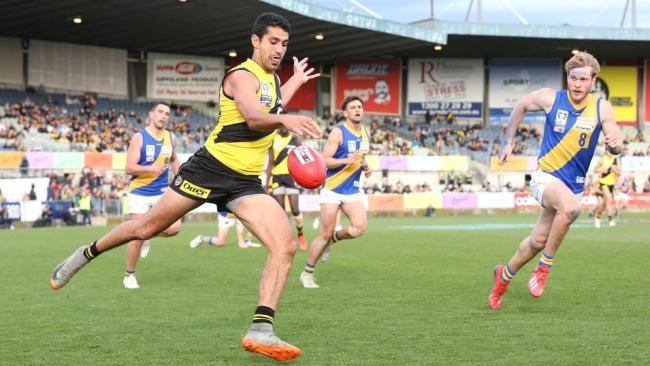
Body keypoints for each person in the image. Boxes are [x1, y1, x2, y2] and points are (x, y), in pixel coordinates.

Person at [50, 12, 320, 362]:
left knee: (284, 245)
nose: (279, 49)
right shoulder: (241, 76)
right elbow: (255, 117)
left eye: (284, 44)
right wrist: (286, 117)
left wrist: (295, 81)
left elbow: (274, 102)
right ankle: (84, 254)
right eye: (273, 42)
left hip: (245, 182)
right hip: (210, 168)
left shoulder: (271, 81)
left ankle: (260, 329)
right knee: (147, 227)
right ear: (255, 41)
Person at [488, 52, 623, 311]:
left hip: (570, 186)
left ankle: (502, 277)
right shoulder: (551, 98)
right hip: (544, 177)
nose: (577, 83)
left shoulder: (601, 108)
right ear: (567, 78)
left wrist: (616, 146)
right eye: (573, 77)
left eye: (583, 79)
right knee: (571, 208)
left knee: (538, 241)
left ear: (593, 80)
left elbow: (615, 144)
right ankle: (543, 269)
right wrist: (509, 142)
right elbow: (520, 106)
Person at [299, 96, 371, 289]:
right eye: (353, 107)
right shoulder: (338, 133)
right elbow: (324, 160)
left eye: (360, 107)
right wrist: (344, 162)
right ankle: (307, 273)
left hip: (352, 190)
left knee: (359, 227)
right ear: (346, 113)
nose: (358, 110)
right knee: (324, 233)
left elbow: (361, 158)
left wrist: (365, 167)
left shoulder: (365, 133)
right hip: (332, 189)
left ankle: (333, 240)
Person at [123, 102, 182, 289]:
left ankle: (147, 234)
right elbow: (128, 168)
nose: (163, 116)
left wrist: (180, 174)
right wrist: (150, 168)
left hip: (162, 191)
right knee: (137, 236)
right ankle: (129, 275)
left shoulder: (171, 138)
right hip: (139, 192)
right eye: (160, 112)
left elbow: (174, 159)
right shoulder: (139, 138)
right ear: (151, 114)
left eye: (167, 113)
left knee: (174, 228)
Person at [265, 127, 308, 251]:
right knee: (281, 212)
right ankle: (287, 239)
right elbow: (271, 162)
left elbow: (304, 158)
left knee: (295, 210)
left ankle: (300, 234)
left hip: (292, 177)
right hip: (277, 178)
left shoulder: (295, 139)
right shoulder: (273, 139)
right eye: (280, 125)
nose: (283, 128)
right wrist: (267, 183)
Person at [189, 211, 261, 249]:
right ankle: (201, 239)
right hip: (227, 215)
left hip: (237, 212)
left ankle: (247, 241)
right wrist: (240, 242)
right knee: (220, 242)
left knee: (256, 221)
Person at [592, 151, 621, 228]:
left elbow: (619, 173)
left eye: (612, 151)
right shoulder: (602, 159)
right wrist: (602, 170)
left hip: (611, 184)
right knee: (609, 199)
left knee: (603, 204)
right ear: (606, 151)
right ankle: (610, 220)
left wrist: (614, 170)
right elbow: (595, 170)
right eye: (609, 151)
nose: (611, 153)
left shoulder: (616, 160)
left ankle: (596, 217)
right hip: (603, 183)